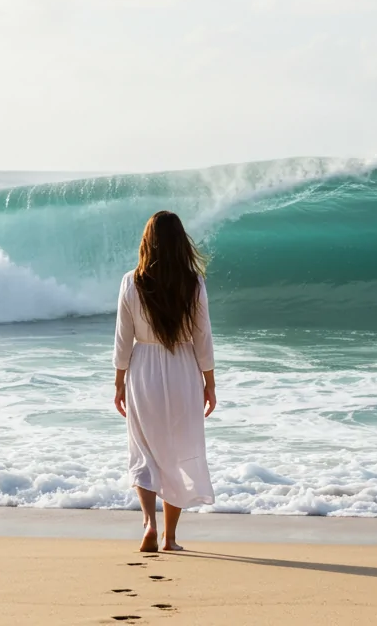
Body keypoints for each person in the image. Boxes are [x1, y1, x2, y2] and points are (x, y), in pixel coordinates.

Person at [112, 210, 217, 553]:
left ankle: (148, 524)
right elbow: (203, 338)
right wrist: (209, 383)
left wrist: (118, 383)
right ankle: (170, 538)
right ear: (179, 243)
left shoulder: (132, 281)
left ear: (148, 242)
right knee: (177, 452)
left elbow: (122, 340)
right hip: (183, 370)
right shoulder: (194, 282)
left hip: (143, 370)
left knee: (144, 450)